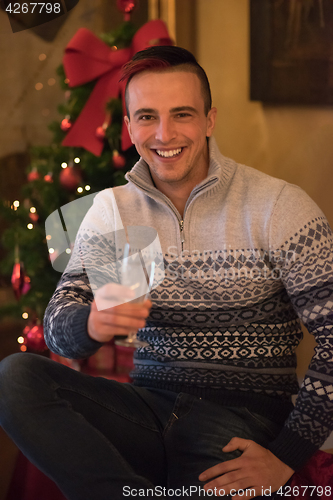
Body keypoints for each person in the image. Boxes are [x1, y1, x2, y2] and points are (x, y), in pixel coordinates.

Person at [0, 45, 333, 500]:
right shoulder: (113, 210)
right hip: (144, 409)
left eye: (182, 114)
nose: (164, 133)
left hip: (241, 420)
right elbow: (59, 327)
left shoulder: (277, 206)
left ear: (209, 120)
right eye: (147, 117)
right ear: (128, 127)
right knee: (15, 377)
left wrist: (286, 456)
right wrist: (92, 322)